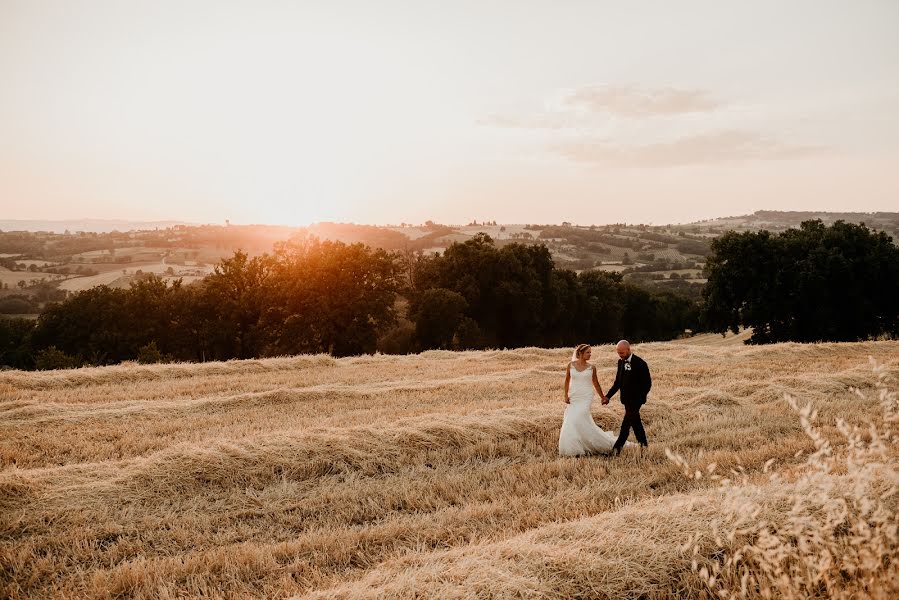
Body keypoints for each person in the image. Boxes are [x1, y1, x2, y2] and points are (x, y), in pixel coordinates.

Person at [558, 343, 621, 457]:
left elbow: (596, 383)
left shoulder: (592, 368)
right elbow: (567, 381)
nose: (590, 354)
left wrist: (603, 397)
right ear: (580, 353)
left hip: (586, 396)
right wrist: (565, 395)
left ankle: (595, 443)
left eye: (590, 352)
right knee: (570, 420)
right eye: (588, 352)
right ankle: (572, 448)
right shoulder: (570, 365)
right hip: (574, 396)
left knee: (580, 415)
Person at [605, 339, 651, 456]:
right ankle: (644, 446)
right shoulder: (620, 362)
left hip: (636, 401)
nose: (620, 355)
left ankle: (616, 449)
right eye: (618, 353)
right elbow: (617, 383)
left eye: (622, 353)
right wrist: (608, 396)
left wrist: (640, 398)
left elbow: (647, 384)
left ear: (629, 350)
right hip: (626, 400)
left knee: (625, 425)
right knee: (636, 423)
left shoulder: (640, 363)